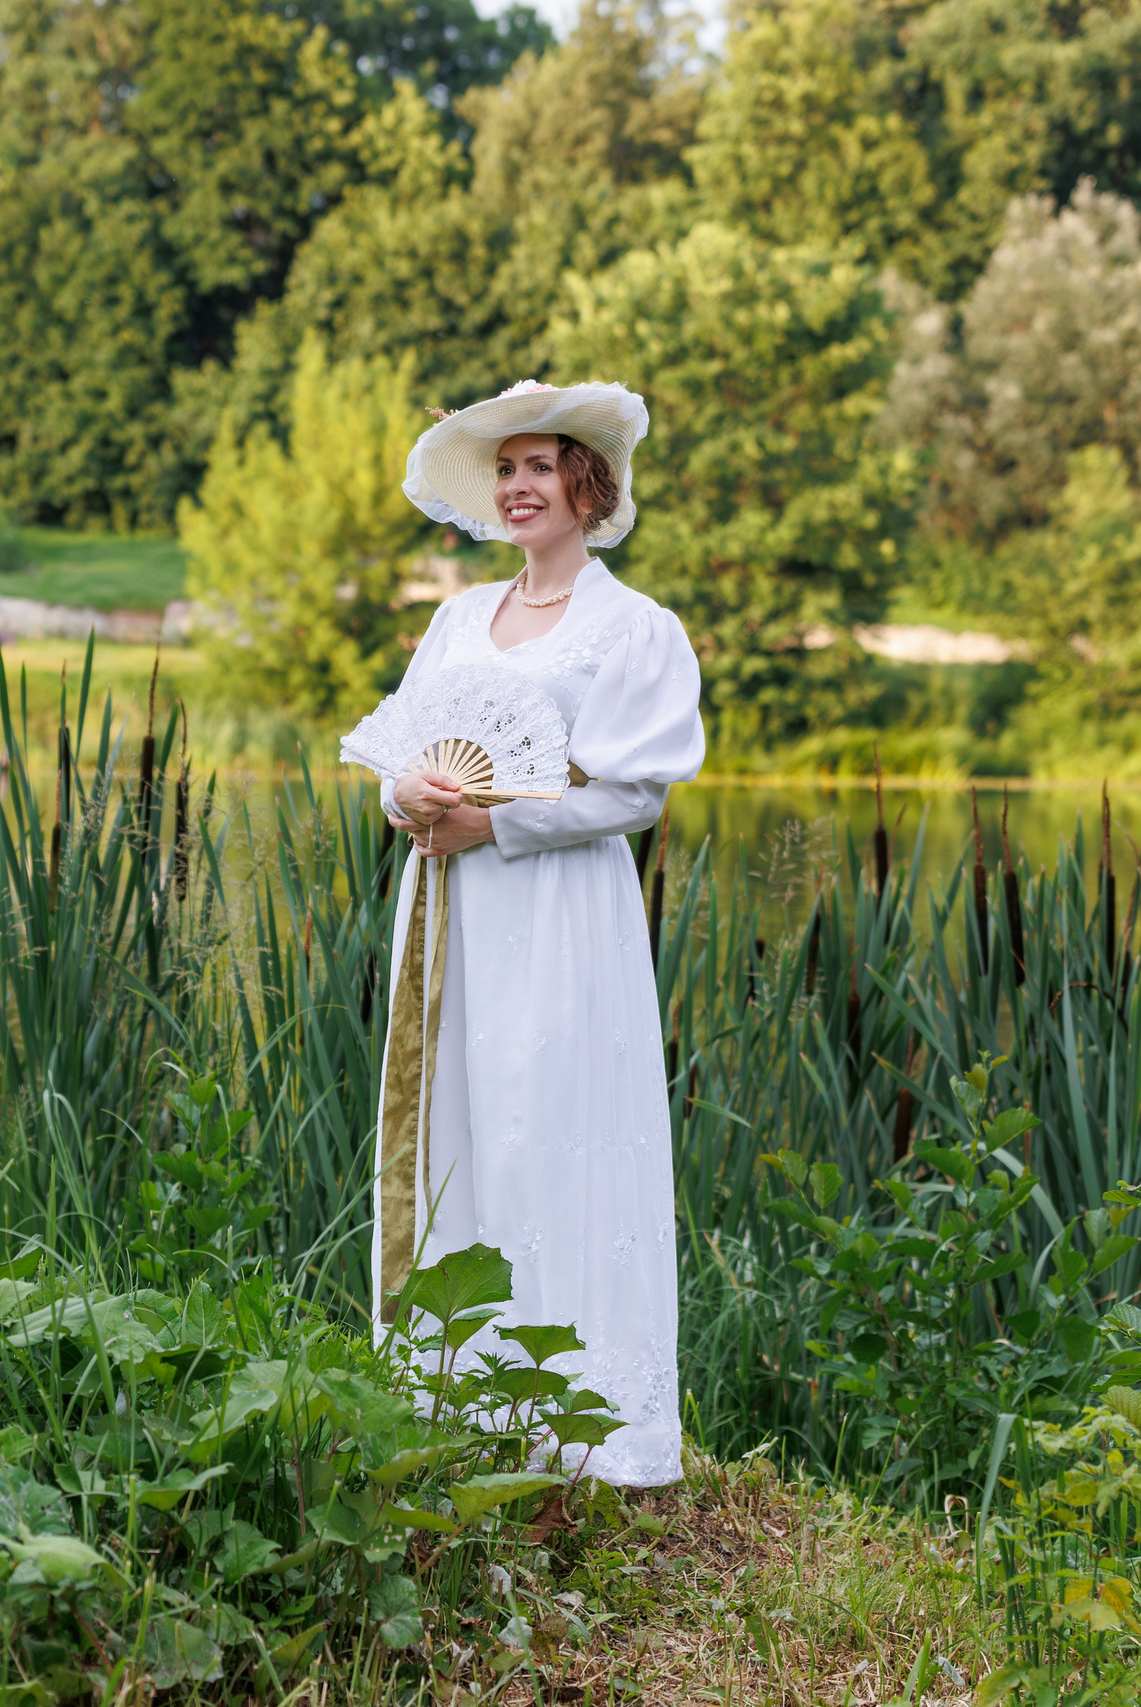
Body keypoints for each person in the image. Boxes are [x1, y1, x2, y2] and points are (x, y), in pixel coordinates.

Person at [371, 379, 706, 1488]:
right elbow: (401, 757)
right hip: (450, 908)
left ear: (584, 483)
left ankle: (582, 1425)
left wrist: (496, 826)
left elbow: (638, 792)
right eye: (505, 469)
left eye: (538, 466)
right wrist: (414, 801)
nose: (519, 487)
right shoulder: (460, 620)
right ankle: (456, 1394)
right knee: (464, 1122)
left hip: (559, 912)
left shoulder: (631, 627)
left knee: (551, 1123)